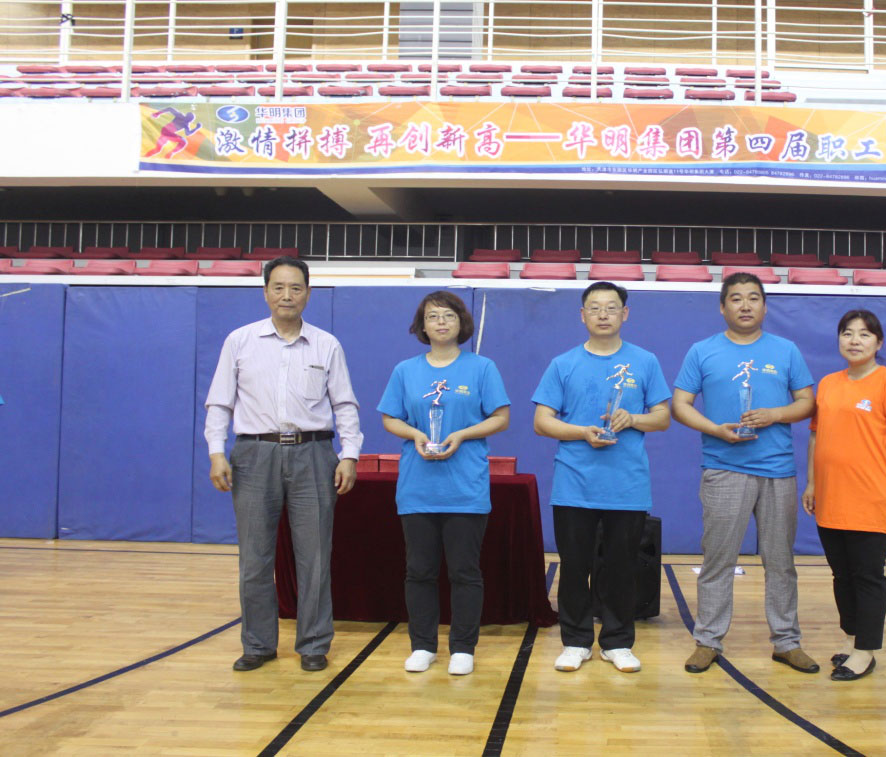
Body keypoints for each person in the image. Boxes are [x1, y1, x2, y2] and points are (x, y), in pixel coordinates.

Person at [205, 257, 362, 673]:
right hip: (254, 454)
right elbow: (219, 401)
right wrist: (216, 451)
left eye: (295, 288)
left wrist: (349, 454)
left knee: (315, 555)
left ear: (308, 293)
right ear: (265, 293)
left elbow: (344, 404)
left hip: (314, 454)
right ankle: (258, 644)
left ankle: (313, 644)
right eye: (278, 287)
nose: (286, 295)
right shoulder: (240, 341)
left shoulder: (326, 344)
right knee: (254, 557)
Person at [672, 272, 818, 674]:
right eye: (736, 298)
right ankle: (708, 641)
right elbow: (680, 405)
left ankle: (786, 642)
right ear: (723, 307)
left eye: (754, 298)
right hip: (723, 469)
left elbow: (807, 402)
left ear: (765, 307)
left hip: (777, 471)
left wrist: (775, 414)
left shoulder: (786, 350)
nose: (745, 305)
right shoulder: (702, 351)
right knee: (717, 560)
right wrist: (714, 429)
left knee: (780, 561)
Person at [532, 282, 672, 673]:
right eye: (594, 307)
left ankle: (617, 641)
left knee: (621, 568)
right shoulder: (563, 364)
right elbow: (542, 421)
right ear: (582, 315)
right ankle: (575, 641)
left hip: (626, 485)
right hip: (573, 483)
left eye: (611, 307)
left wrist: (633, 419)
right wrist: (582, 432)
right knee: (574, 566)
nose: (603, 314)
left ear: (625, 314)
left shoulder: (645, 361)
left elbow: (663, 417)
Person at [378, 291, 510, 676]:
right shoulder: (405, 370)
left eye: (448, 316)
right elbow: (390, 418)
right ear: (422, 325)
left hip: (465, 488)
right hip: (418, 488)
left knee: (464, 571)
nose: (441, 322)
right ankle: (423, 645)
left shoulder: (482, 368)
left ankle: (463, 648)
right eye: (433, 316)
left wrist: (463, 434)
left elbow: (500, 417)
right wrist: (416, 435)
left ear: (461, 323)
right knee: (419, 570)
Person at [802, 309, 886, 681]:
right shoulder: (828, 384)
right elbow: (816, 437)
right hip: (831, 497)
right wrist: (812, 483)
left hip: (871, 498)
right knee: (842, 575)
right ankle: (853, 639)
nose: (854, 340)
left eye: (864, 334)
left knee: (867, 576)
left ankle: (866, 651)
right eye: (847, 333)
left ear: (878, 342)